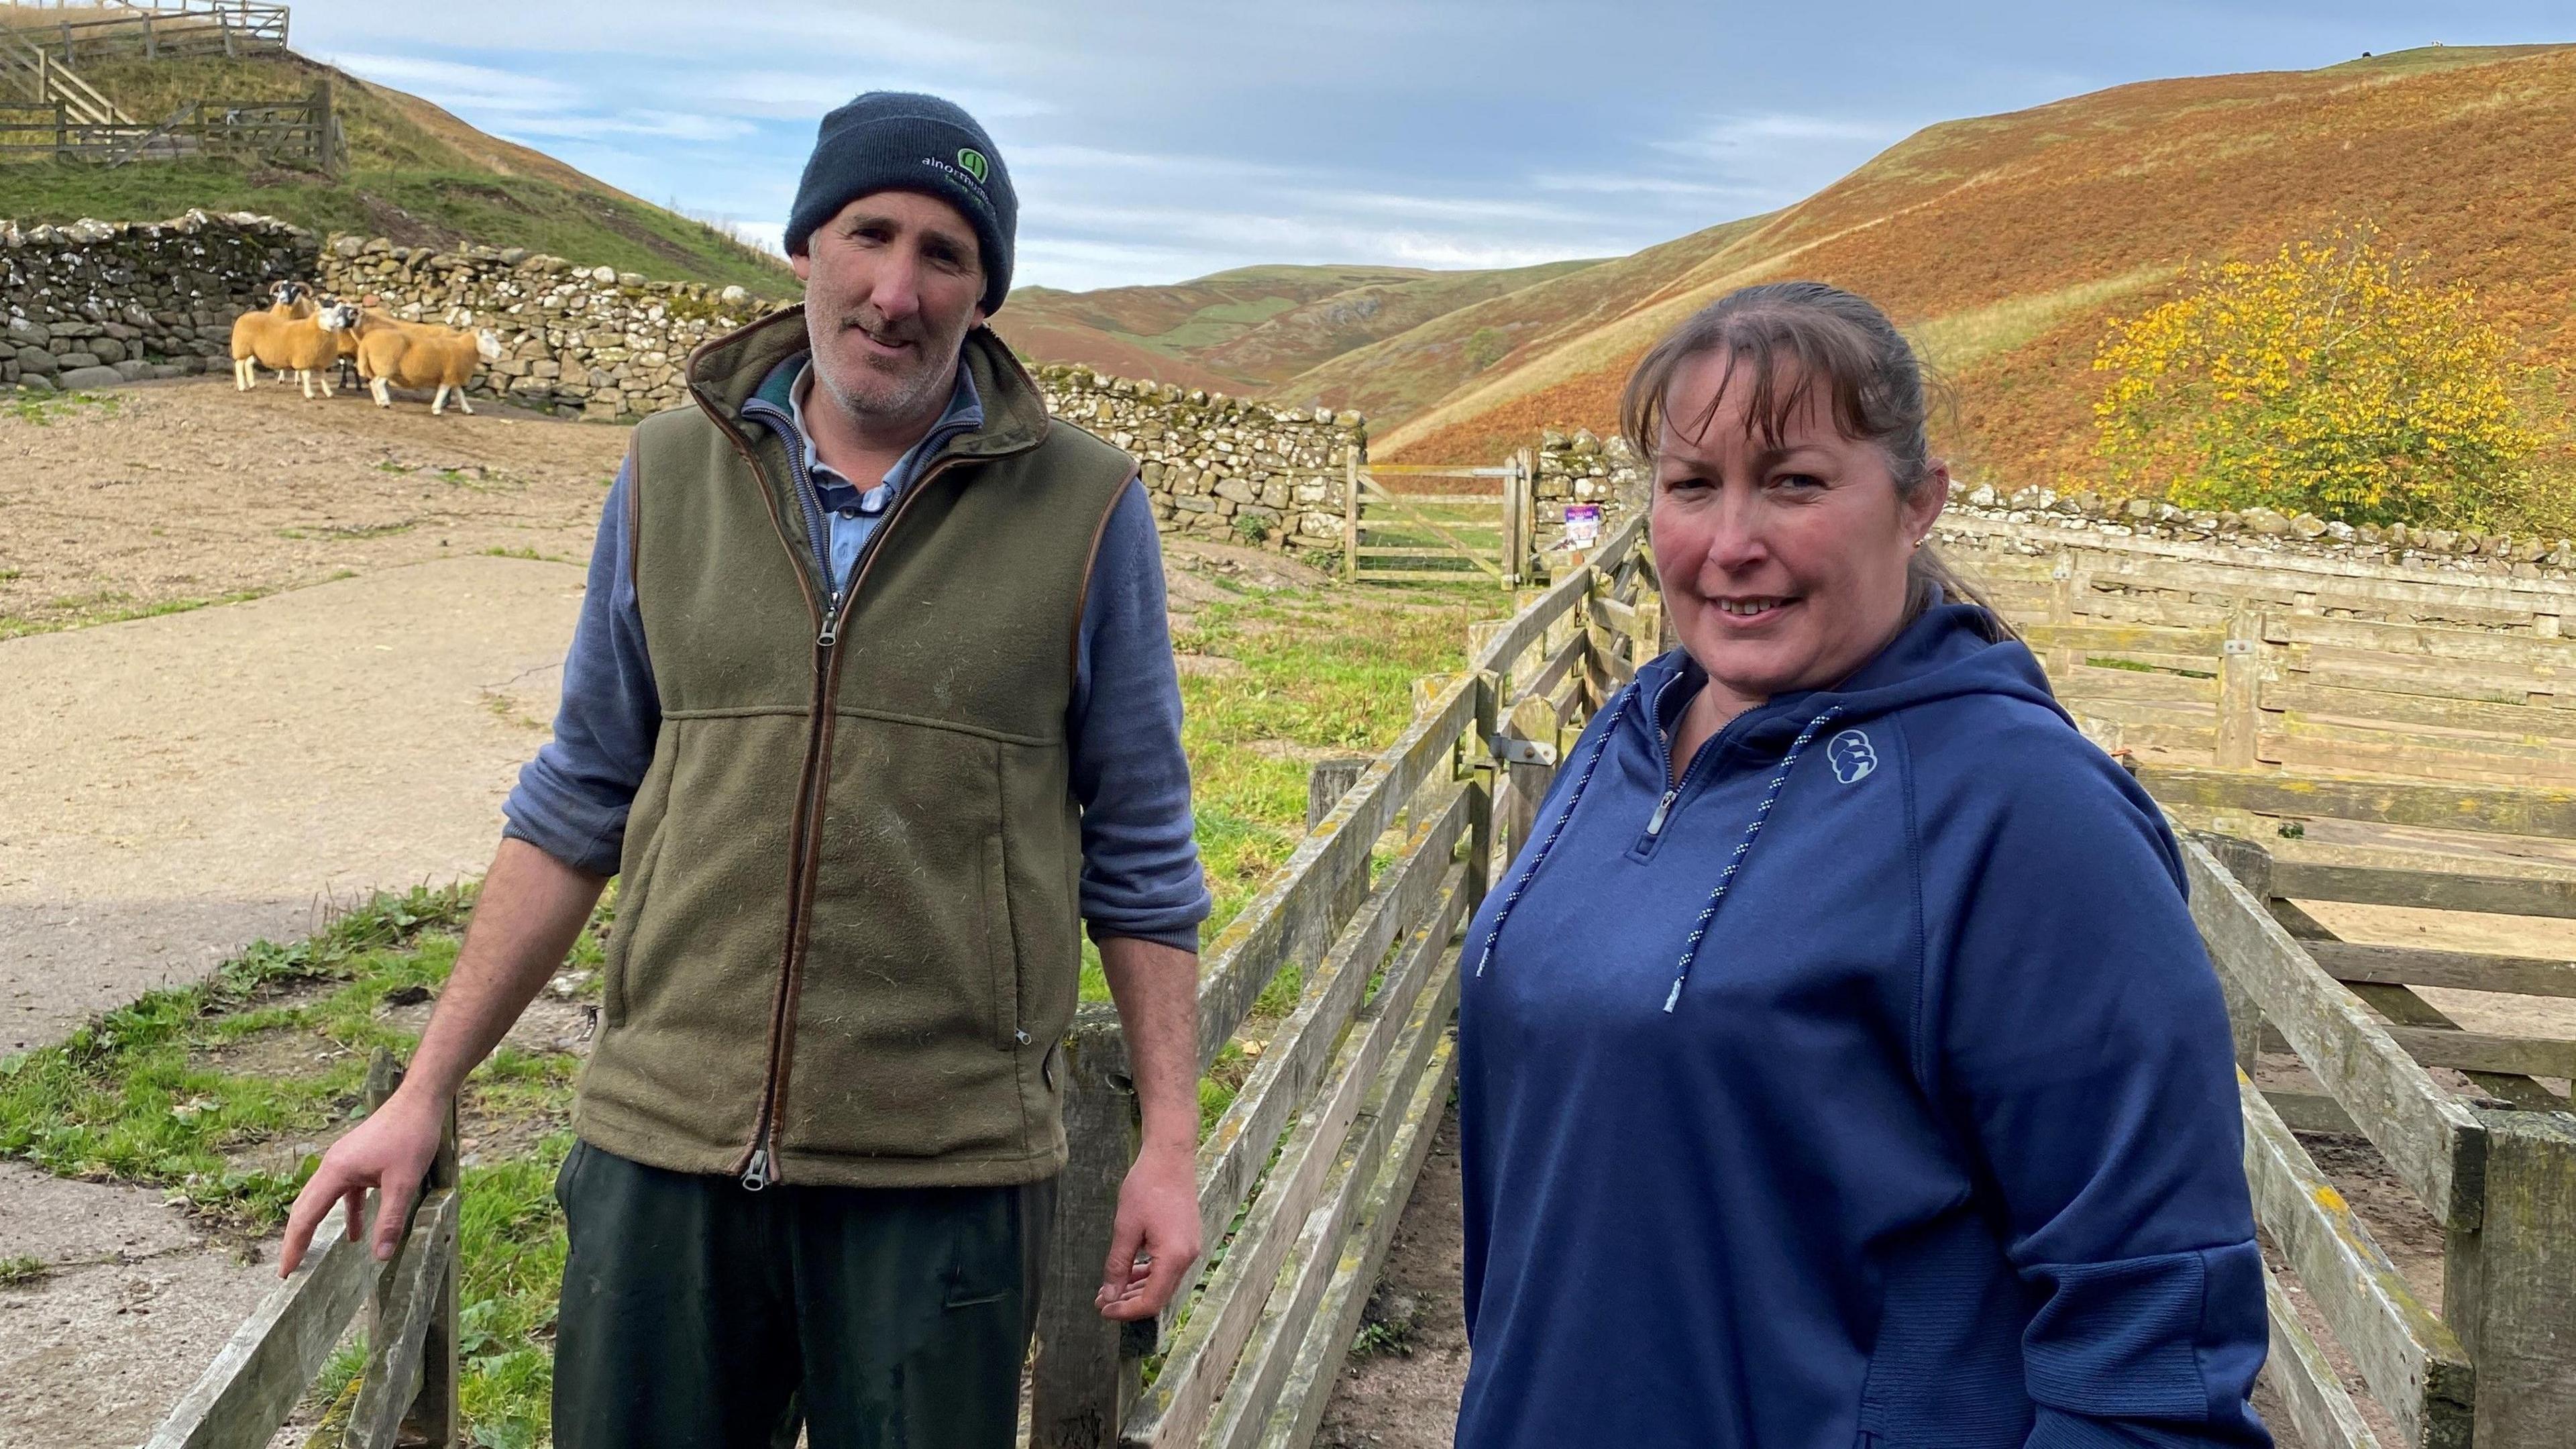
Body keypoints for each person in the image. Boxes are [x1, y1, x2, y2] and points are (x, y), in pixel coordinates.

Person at [277, 93, 1212, 1449]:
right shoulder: (667, 471)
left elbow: (1141, 849)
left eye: (946, 254)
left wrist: (1169, 1150)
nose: (898, 290)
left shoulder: (1087, 507)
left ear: (985, 293)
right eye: (870, 233)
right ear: (803, 247)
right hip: (664, 1154)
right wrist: (425, 1090)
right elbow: (578, 799)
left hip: (942, 1176)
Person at [1452, 282, 2270, 1448]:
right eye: (1693, 485)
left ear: (1916, 502)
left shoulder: (2027, 815)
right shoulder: (1630, 736)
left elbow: (2151, 1350)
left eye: (1794, 482)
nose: (1733, 543)